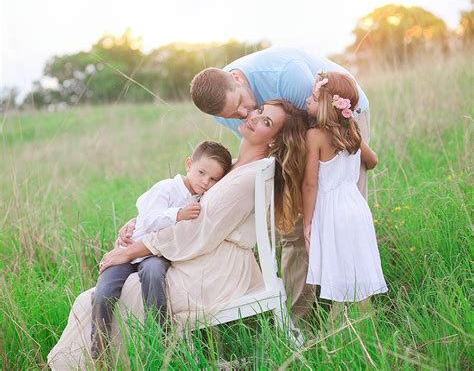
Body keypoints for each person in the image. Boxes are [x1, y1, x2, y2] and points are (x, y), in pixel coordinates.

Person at [48, 100, 308, 369]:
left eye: (266, 122)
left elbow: (197, 231)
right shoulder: (231, 165)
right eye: (260, 111)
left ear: (275, 141)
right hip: (204, 260)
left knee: (111, 297)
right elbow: (186, 207)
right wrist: (138, 223)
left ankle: (129, 361)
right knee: (104, 294)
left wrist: (130, 251)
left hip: (217, 273)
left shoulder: (245, 178)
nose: (254, 118)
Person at [190, 46, 371, 318]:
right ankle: (299, 320)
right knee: (292, 229)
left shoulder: (287, 77)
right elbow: (258, 148)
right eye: (233, 114)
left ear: (237, 80)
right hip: (289, 134)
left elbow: (316, 133)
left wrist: (309, 200)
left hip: (337, 119)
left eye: (242, 103)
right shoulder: (223, 108)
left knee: (338, 217)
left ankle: (349, 312)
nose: (244, 113)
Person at [90, 140, 232, 360]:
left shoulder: (202, 198)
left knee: (155, 273)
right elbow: (147, 220)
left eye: (213, 179)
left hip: (155, 253)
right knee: (103, 292)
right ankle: (99, 353)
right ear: (188, 164)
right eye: (201, 172)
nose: (205, 182)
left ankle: (159, 342)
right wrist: (178, 214)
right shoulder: (167, 187)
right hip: (130, 247)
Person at [303, 71, 387, 306]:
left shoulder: (314, 135)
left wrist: (306, 222)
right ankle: (364, 320)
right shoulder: (352, 130)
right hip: (357, 208)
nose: (307, 101)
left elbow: (310, 184)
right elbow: (372, 161)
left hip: (333, 212)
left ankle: (341, 326)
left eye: (312, 97)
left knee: (339, 272)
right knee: (358, 269)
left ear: (327, 106)